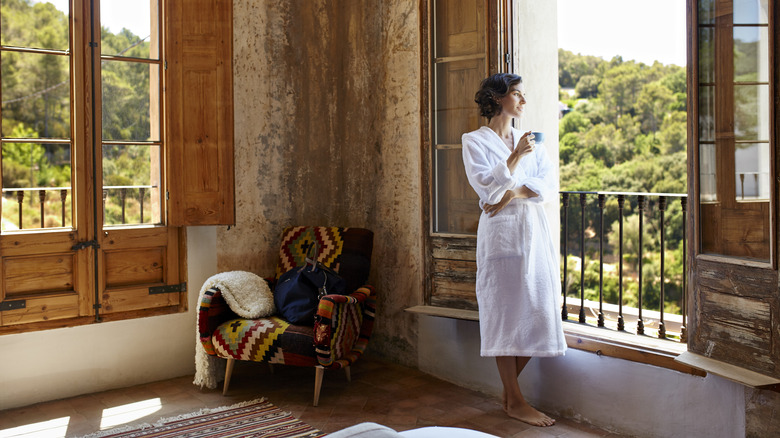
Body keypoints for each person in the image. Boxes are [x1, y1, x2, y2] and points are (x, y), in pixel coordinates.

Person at [461, 73, 566, 427]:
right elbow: (486, 189)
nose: (523, 101)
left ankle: (509, 395)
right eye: (516, 94)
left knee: (541, 310)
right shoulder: (473, 140)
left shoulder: (533, 138)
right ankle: (516, 400)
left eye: (523, 94)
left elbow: (549, 186)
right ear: (497, 98)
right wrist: (516, 158)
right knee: (505, 315)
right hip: (501, 237)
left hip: (534, 234)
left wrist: (515, 193)